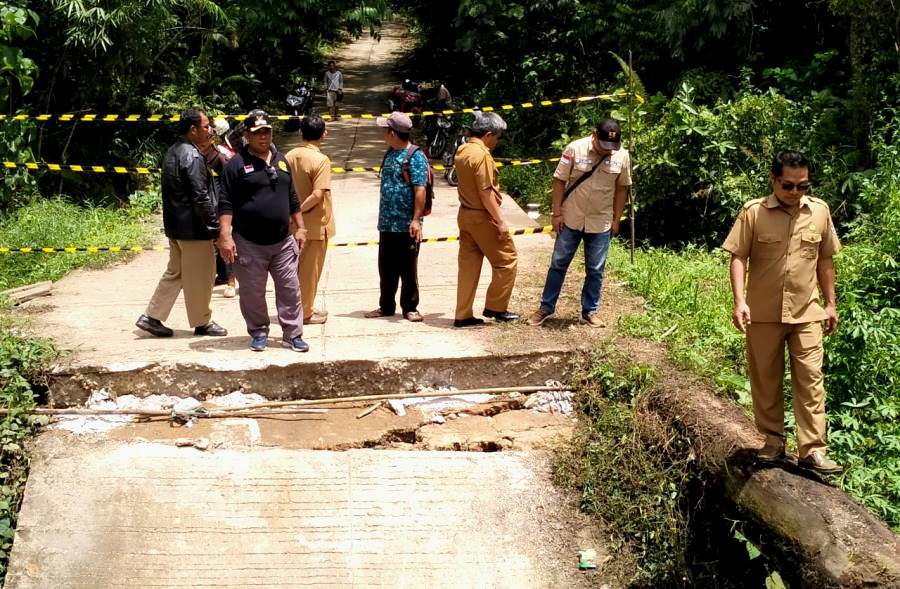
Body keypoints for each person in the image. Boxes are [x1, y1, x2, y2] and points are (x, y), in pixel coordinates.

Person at [722, 150, 843, 474]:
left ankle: (813, 450)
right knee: (766, 379)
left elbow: (825, 260)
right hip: (763, 313)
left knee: (811, 379)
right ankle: (773, 442)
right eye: (788, 185)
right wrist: (739, 301)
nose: (795, 192)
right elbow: (738, 257)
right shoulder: (754, 213)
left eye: (802, 186)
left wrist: (830, 303)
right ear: (774, 180)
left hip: (807, 312)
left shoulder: (819, 211)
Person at [217, 111, 309, 353]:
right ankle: (258, 331)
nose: (263, 137)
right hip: (249, 243)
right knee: (252, 293)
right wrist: (225, 235)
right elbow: (225, 202)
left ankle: (293, 334)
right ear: (247, 136)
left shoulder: (281, 160)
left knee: (290, 289)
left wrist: (301, 227)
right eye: (258, 133)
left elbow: (292, 197)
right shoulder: (236, 165)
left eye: (267, 131)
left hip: (283, 241)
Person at [527, 119, 631, 328]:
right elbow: (559, 181)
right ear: (594, 135)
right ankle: (546, 308)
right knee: (558, 264)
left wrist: (616, 219)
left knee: (596, 269)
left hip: (601, 221)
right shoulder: (574, 148)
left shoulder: (622, 155)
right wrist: (556, 214)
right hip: (571, 218)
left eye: (612, 146)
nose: (607, 150)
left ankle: (590, 311)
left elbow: (622, 188)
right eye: (604, 145)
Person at [136, 109, 227, 338]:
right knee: (202, 276)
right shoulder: (193, 156)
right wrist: (214, 228)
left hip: (176, 227)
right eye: (205, 126)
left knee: (175, 272)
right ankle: (202, 322)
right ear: (193, 130)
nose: (210, 130)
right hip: (194, 229)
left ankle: (151, 316)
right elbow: (200, 197)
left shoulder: (172, 151)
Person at [453, 112, 519, 327]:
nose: (497, 142)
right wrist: (500, 221)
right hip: (482, 216)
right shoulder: (482, 156)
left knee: (468, 266)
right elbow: (486, 192)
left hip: (465, 214)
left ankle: (462, 314)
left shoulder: (463, 149)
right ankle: (496, 307)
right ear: (488, 135)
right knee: (507, 260)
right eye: (497, 137)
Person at [365, 112, 426, 322]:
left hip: (407, 224)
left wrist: (416, 220)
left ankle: (410, 307)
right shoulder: (390, 153)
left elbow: (420, 189)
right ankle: (386, 306)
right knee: (386, 268)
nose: (382, 134)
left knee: (408, 268)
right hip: (387, 223)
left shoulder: (415, 156)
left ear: (392, 132)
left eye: (385, 130)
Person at [285, 115, 333, 325]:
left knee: (292, 271)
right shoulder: (321, 160)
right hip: (313, 225)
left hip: (290, 225)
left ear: (300, 132)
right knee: (308, 272)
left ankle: (294, 309)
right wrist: (298, 211)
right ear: (324, 134)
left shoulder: (288, 156)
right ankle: (305, 313)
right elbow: (317, 194)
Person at [209, 117, 237, 298]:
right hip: (209, 202)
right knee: (215, 242)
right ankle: (222, 276)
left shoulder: (222, 153)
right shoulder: (203, 151)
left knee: (225, 239)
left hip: (221, 203)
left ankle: (231, 280)